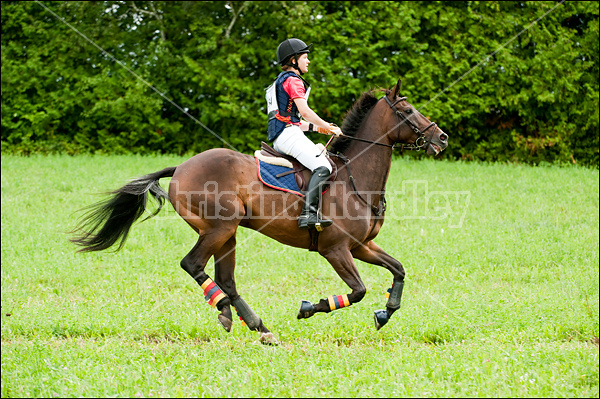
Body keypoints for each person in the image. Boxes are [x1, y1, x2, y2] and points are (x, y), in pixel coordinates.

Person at [266, 38, 343, 231]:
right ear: (294, 60)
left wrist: (320, 129)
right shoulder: (293, 81)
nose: (308, 61)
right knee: (324, 167)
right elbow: (306, 111)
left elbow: (294, 120)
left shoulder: (281, 80)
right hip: (287, 136)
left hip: (283, 135)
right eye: (305, 57)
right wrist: (328, 125)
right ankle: (308, 214)